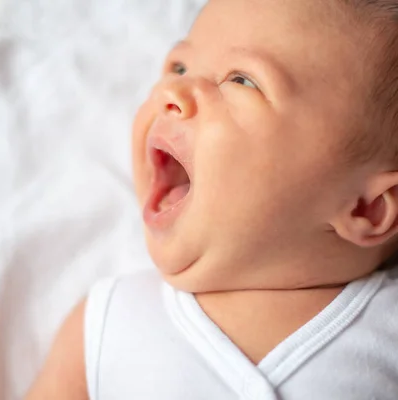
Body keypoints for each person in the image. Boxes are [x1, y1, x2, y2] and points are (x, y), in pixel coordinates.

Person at [26, 0, 398, 398]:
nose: (172, 89)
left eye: (242, 80)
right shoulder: (106, 324)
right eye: (178, 67)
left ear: (366, 208)